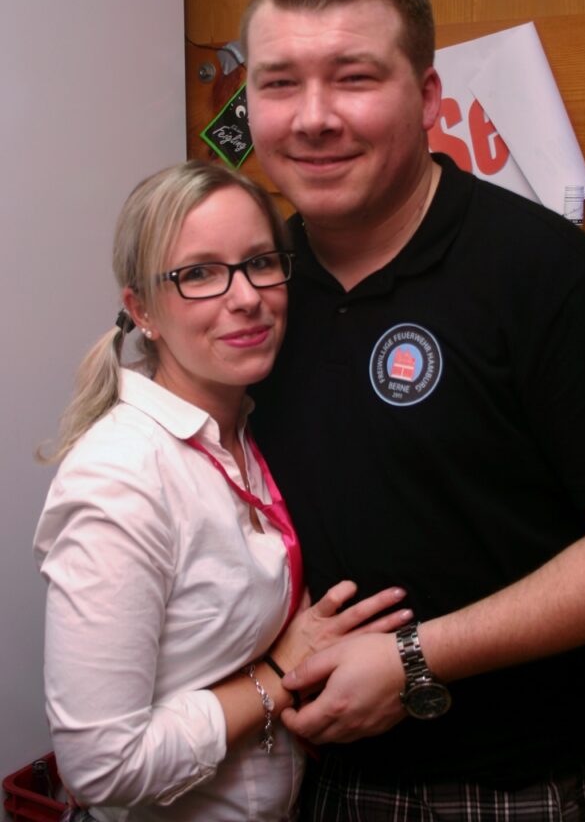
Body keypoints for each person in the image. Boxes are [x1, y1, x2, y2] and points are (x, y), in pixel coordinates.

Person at [241, 0, 585, 819]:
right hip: (275, 768)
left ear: (428, 97)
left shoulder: (549, 279)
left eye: (355, 78)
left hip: (490, 789)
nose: (312, 117)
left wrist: (414, 660)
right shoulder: (247, 289)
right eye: (279, 83)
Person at [33, 160, 411, 822]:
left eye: (260, 263)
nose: (245, 297)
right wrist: (278, 675)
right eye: (200, 273)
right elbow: (102, 768)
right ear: (141, 310)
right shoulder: (122, 478)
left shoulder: (248, 428)